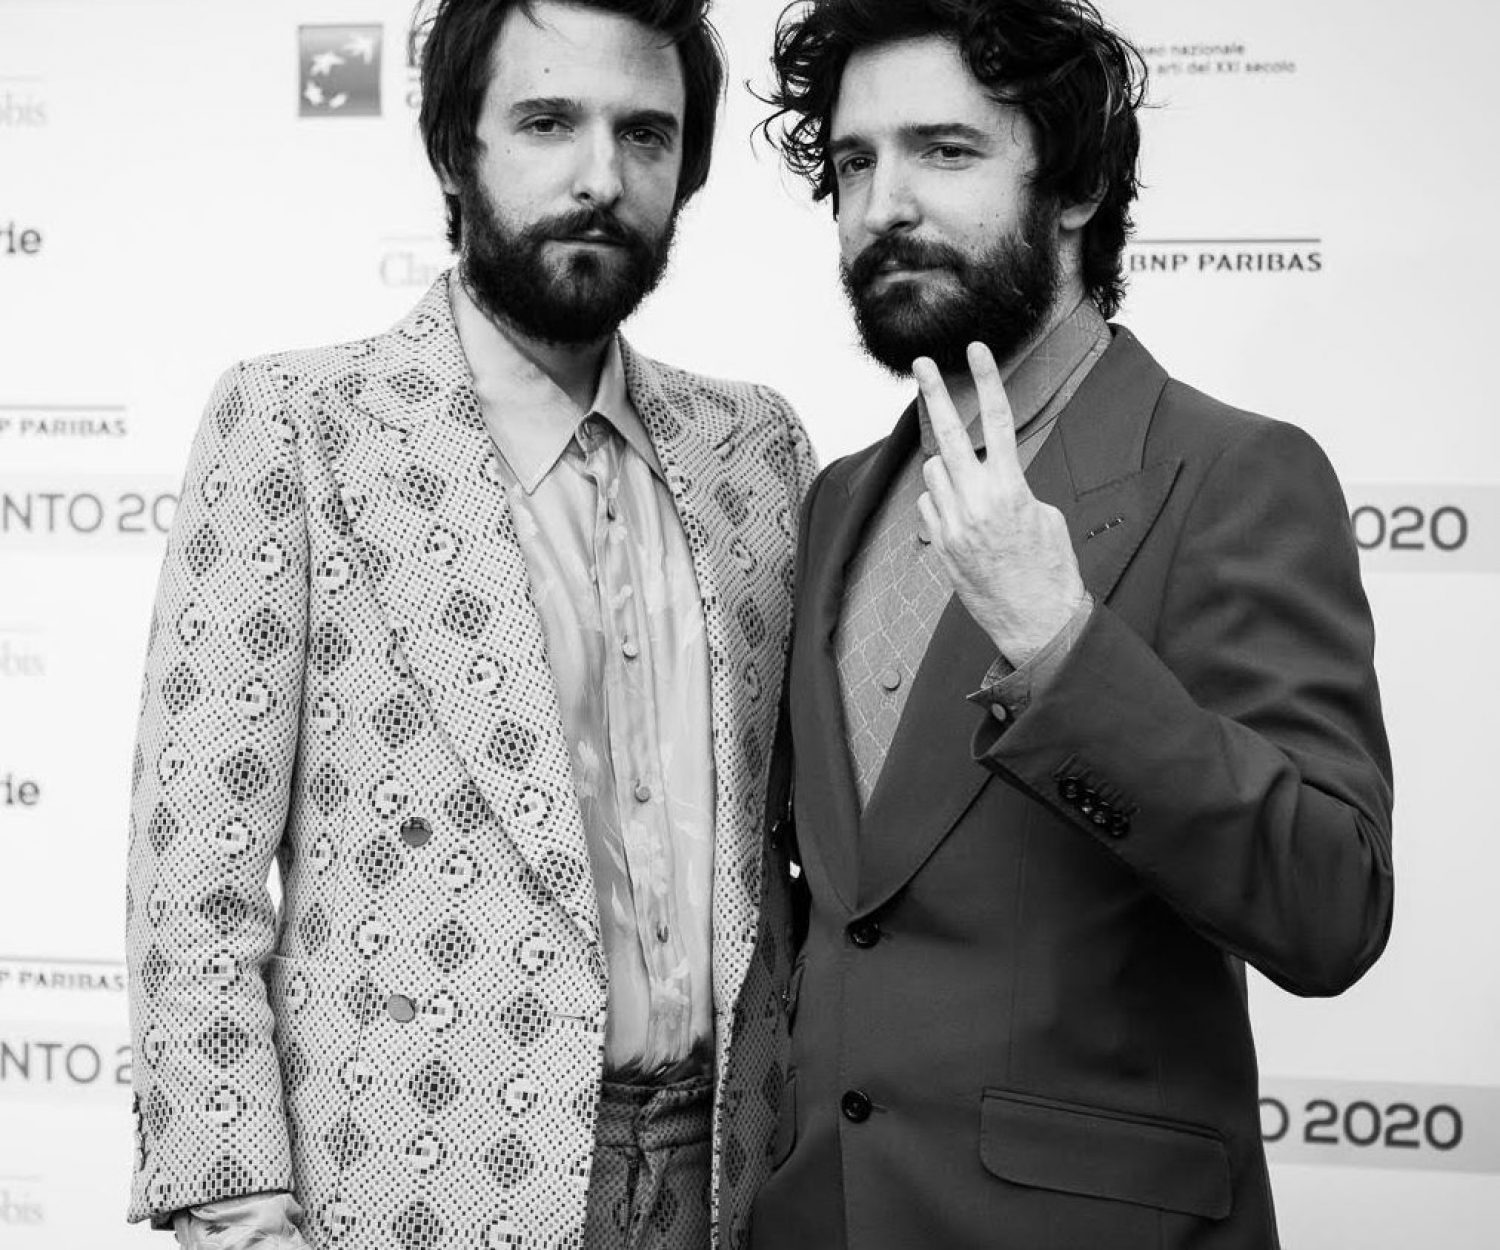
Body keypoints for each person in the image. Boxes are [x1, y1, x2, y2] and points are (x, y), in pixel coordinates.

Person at [124, 2, 815, 1247]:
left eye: (646, 135)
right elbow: (197, 884)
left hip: (737, 1187)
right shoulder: (299, 426)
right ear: (455, 149)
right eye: (548, 122)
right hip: (406, 1195)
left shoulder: (756, 452)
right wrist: (239, 1218)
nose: (602, 177)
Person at [750, 1, 1393, 1246]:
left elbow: (1332, 905)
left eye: (945, 151)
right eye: (853, 162)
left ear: (1080, 185)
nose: (885, 204)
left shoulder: (1232, 474)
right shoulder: (835, 499)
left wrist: (1060, 645)